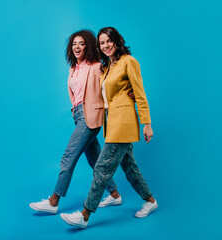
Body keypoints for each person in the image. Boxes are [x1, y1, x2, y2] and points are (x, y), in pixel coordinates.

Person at [60, 27, 158, 229]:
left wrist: (146, 123)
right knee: (129, 167)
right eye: (102, 43)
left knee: (102, 168)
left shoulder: (129, 62)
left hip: (123, 123)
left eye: (108, 41)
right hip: (111, 123)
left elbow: (139, 94)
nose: (105, 46)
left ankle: (85, 215)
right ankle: (150, 201)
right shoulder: (107, 68)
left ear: (117, 41)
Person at [29, 30, 124, 214]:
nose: (77, 47)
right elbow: (76, 96)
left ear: (88, 45)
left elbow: (111, 82)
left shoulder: (96, 66)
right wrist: (75, 111)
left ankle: (53, 201)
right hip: (78, 116)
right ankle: (114, 194)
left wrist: (126, 93)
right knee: (95, 160)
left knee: (68, 157)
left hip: (90, 117)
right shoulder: (73, 68)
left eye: (81, 43)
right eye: (74, 44)